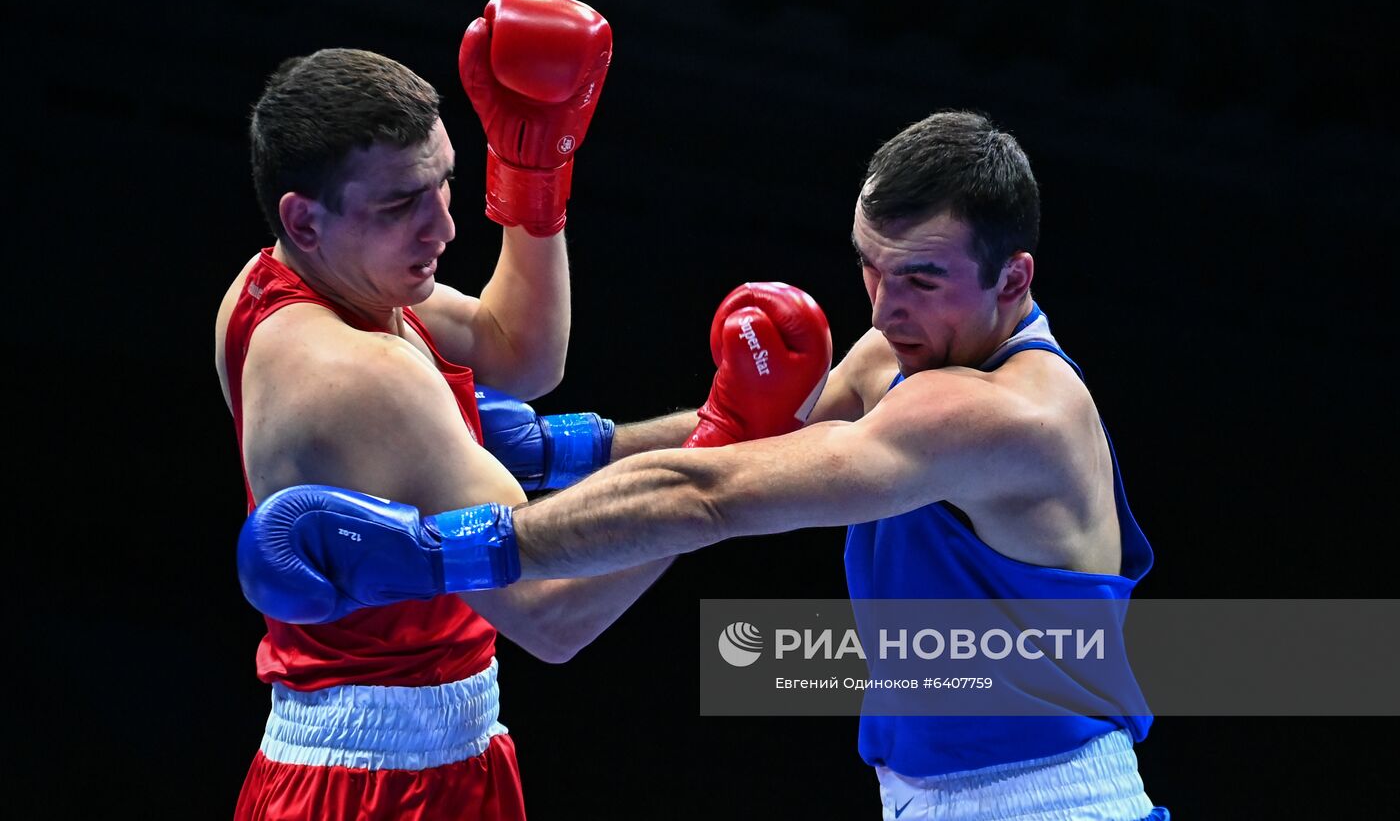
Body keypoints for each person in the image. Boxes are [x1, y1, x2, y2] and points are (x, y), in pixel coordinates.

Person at [243, 111, 1169, 820]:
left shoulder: (1001, 411)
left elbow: (713, 489)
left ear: (1014, 279)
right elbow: (758, 433)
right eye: (870, 268)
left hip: (1051, 798)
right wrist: (558, 444)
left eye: (921, 278)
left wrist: (439, 552)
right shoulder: (908, 353)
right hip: (932, 793)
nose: (884, 309)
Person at [215, 0, 832, 821]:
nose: (444, 227)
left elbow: (522, 350)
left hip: (415, 757)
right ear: (306, 218)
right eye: (402, 204)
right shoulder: (358, 374)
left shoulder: (279, 284)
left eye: (447, 184)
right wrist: (721, 441)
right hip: (384, 791)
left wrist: (532, 173)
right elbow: (554, 612)